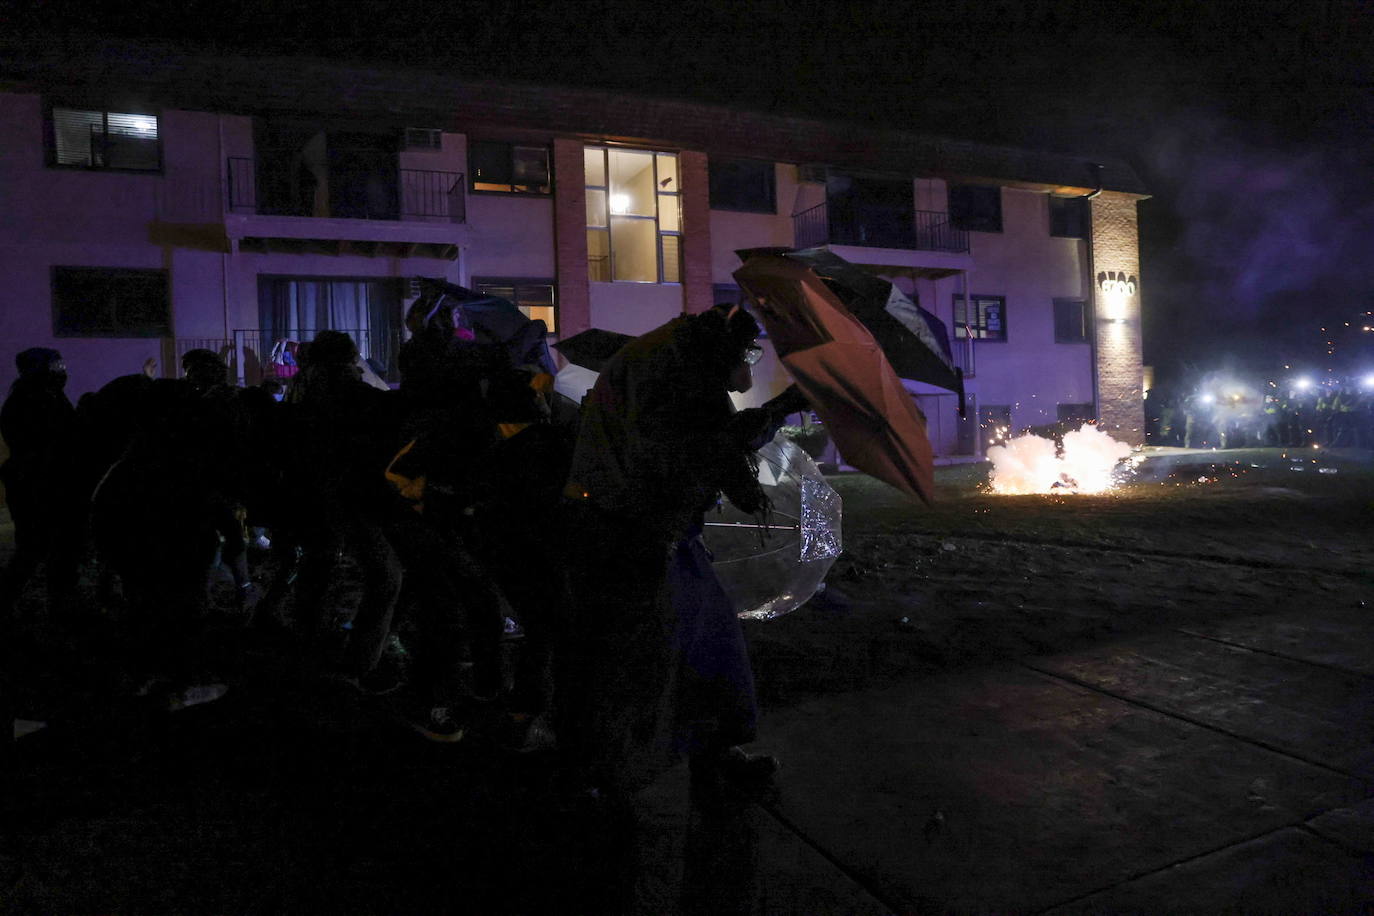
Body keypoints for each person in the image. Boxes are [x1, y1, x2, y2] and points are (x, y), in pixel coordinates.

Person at [562, 303, 804, 801]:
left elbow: (710, 444)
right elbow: (700, 447)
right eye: (746, 356)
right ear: (722, 352)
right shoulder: (670, 372)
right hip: (633, 537)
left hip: (655, 534)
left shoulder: (675, 360)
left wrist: (740, 479)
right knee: (638, 658)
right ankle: (608, 773)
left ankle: (713, 752)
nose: (746, 370)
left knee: (710, 645)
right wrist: (784, 407)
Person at [0, 348, 84, 627]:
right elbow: (54, 440)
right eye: (55, 365)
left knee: (47, 549)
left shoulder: (45, 396)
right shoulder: (30, 401)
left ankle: (58, 606)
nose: (62, 370)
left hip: (44, 483)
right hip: (39, 485)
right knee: (38, 548)